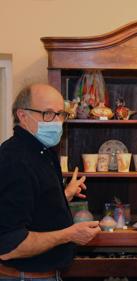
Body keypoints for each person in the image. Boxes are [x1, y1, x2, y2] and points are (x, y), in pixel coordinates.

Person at [0, 83, 101, 280]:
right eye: (47, 114)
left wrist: (63, 195)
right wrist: (69, 234)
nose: (56, 122)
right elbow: (8, 245)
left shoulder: (42, 151)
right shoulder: (15, 160)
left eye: (61, 114)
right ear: (22, 115)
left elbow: (31, 207)